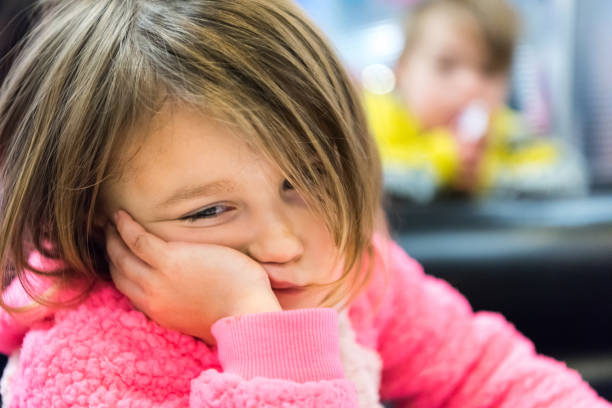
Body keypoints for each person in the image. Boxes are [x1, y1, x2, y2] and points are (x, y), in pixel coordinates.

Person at [0, 0, 608, 406]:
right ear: (96, 221)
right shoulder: (83, 369)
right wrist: (263, 330)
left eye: (307, 180)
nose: (283, 244)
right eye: (208, 211)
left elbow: (487, 373)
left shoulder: (353, 266)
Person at [364, 0, 581, 200]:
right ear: (402, 69)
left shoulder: (506, 133)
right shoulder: (370, 123)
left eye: (489, 70)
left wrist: (487, 175)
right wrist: (441, 163)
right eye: (446, 65)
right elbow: (361, 178)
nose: (471, 87)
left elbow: (568, 174)